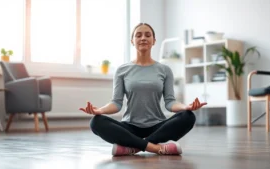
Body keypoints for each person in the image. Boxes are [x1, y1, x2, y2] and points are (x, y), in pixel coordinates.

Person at [79, 23, 207, 156]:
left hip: (158, 127)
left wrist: (186, 107)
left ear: (154, 41)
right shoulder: (122, 70)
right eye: (138, 35)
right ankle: (156, 148)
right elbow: (116, 103)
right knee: (96, 122)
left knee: (188, 117)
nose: (143, 38)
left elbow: (170, 102)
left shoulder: (165, 70)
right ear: (132, 41)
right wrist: (100, 110)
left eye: (148, 35)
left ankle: (134, 147)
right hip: (130, 127)